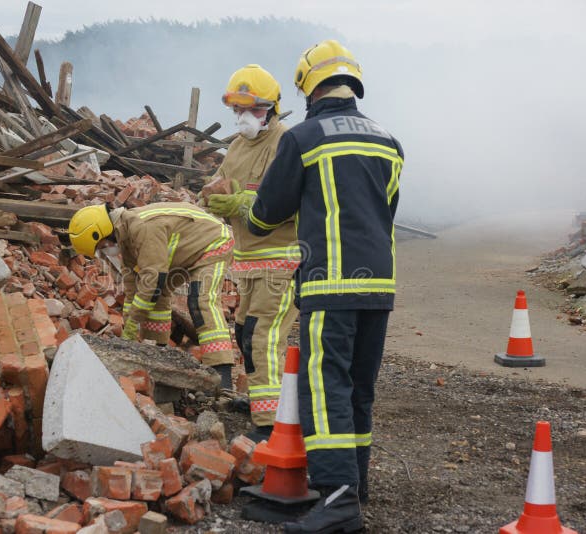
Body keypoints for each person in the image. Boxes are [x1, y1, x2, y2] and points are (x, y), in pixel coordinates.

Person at [246, 40, 403, 533]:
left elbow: (265, 214)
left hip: (329, 283)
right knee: (359, 386)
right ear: (351, 82)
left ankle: (337, 500)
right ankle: (355, 483)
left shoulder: (304, 138)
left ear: (309, 87)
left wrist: (246, 207)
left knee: (325, 385)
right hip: (378, 284)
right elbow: (384, 211)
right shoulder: (388, 141)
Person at [204, 64, 300, 442]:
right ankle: (263, 401)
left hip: (281, 261)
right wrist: (212, 197)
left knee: (263, 338)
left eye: (253, 110)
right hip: (248, 264)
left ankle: (270, 426)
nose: (244, 118)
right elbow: (221, 187)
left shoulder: (286, 144)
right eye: (238, 111)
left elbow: (290, 202)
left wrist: (243, 202)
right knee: (246, 333)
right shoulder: (238, 146)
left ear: (272, 109)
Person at [68, 202, 236, 384]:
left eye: (101, 247)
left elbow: (152, 279)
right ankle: (157, 353)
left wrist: (135, 320)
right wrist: (129, 325)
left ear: (102, 231)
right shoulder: (125, 238)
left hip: (214, 243)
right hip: (184, 252)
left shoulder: (142, 228)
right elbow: (133, 286)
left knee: (201, 302)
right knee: (157, 296)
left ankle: (223, 376)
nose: (104, 251)